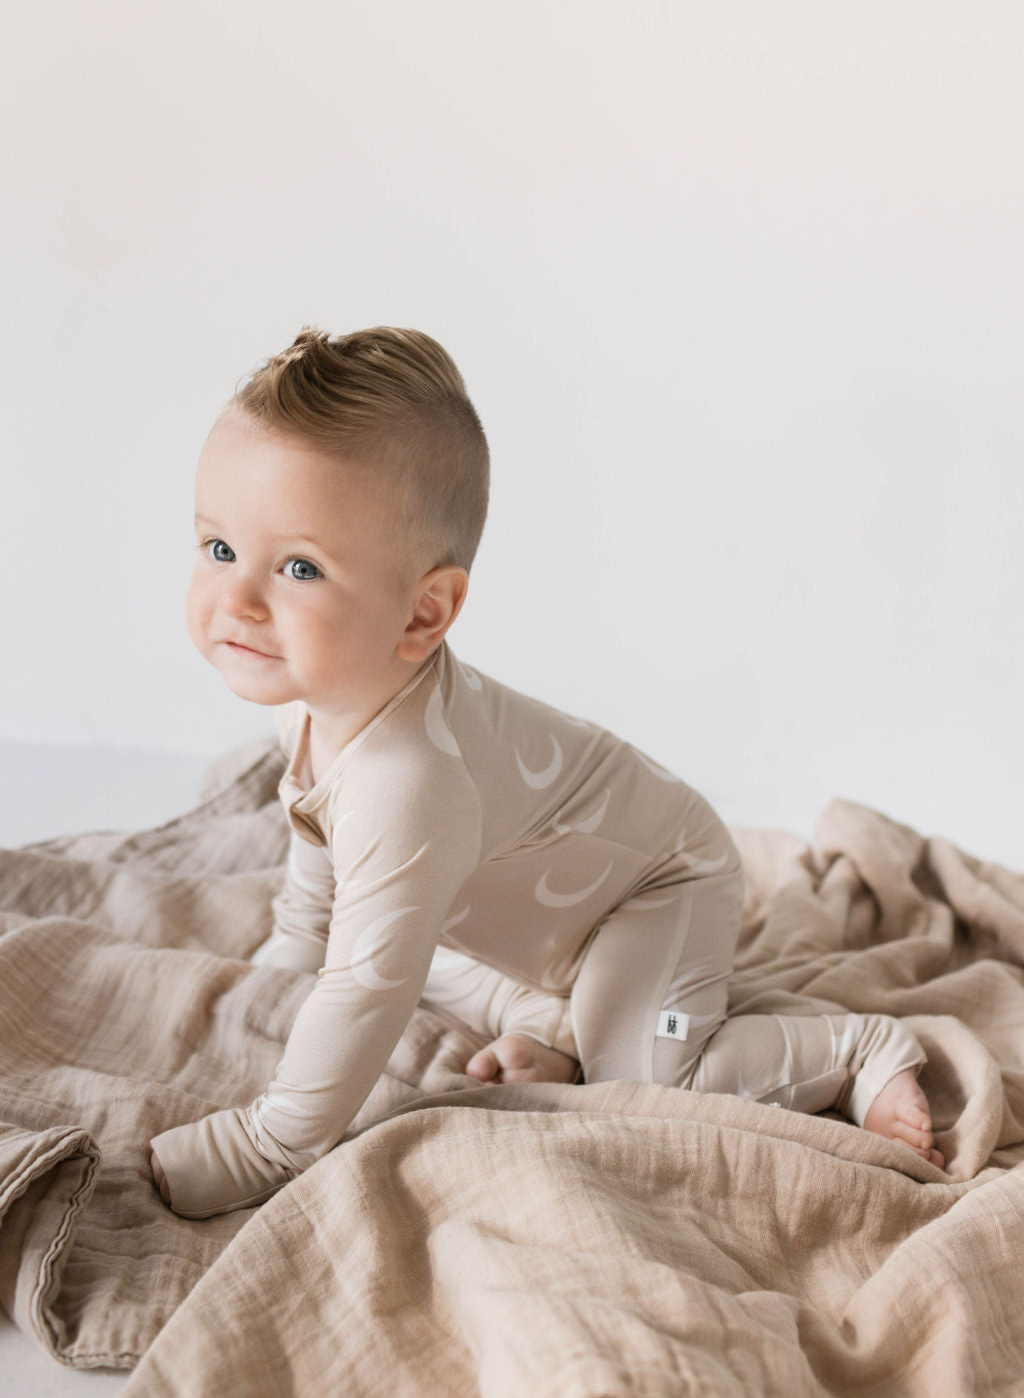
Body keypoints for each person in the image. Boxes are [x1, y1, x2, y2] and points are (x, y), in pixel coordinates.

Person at [149, 327, 943, 1218]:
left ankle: (855, 1048)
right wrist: (293, 943)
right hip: (529, 912)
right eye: (218, 548)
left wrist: (266, 1141)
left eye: (299, 568)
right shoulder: (315, 686)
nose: (240, 599)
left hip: (655, 888)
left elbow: (369, 989)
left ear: (424, 613)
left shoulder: (409, 782)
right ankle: (552, 1018)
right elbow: (320, 831)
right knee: (390, 937)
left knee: (643, 1066)